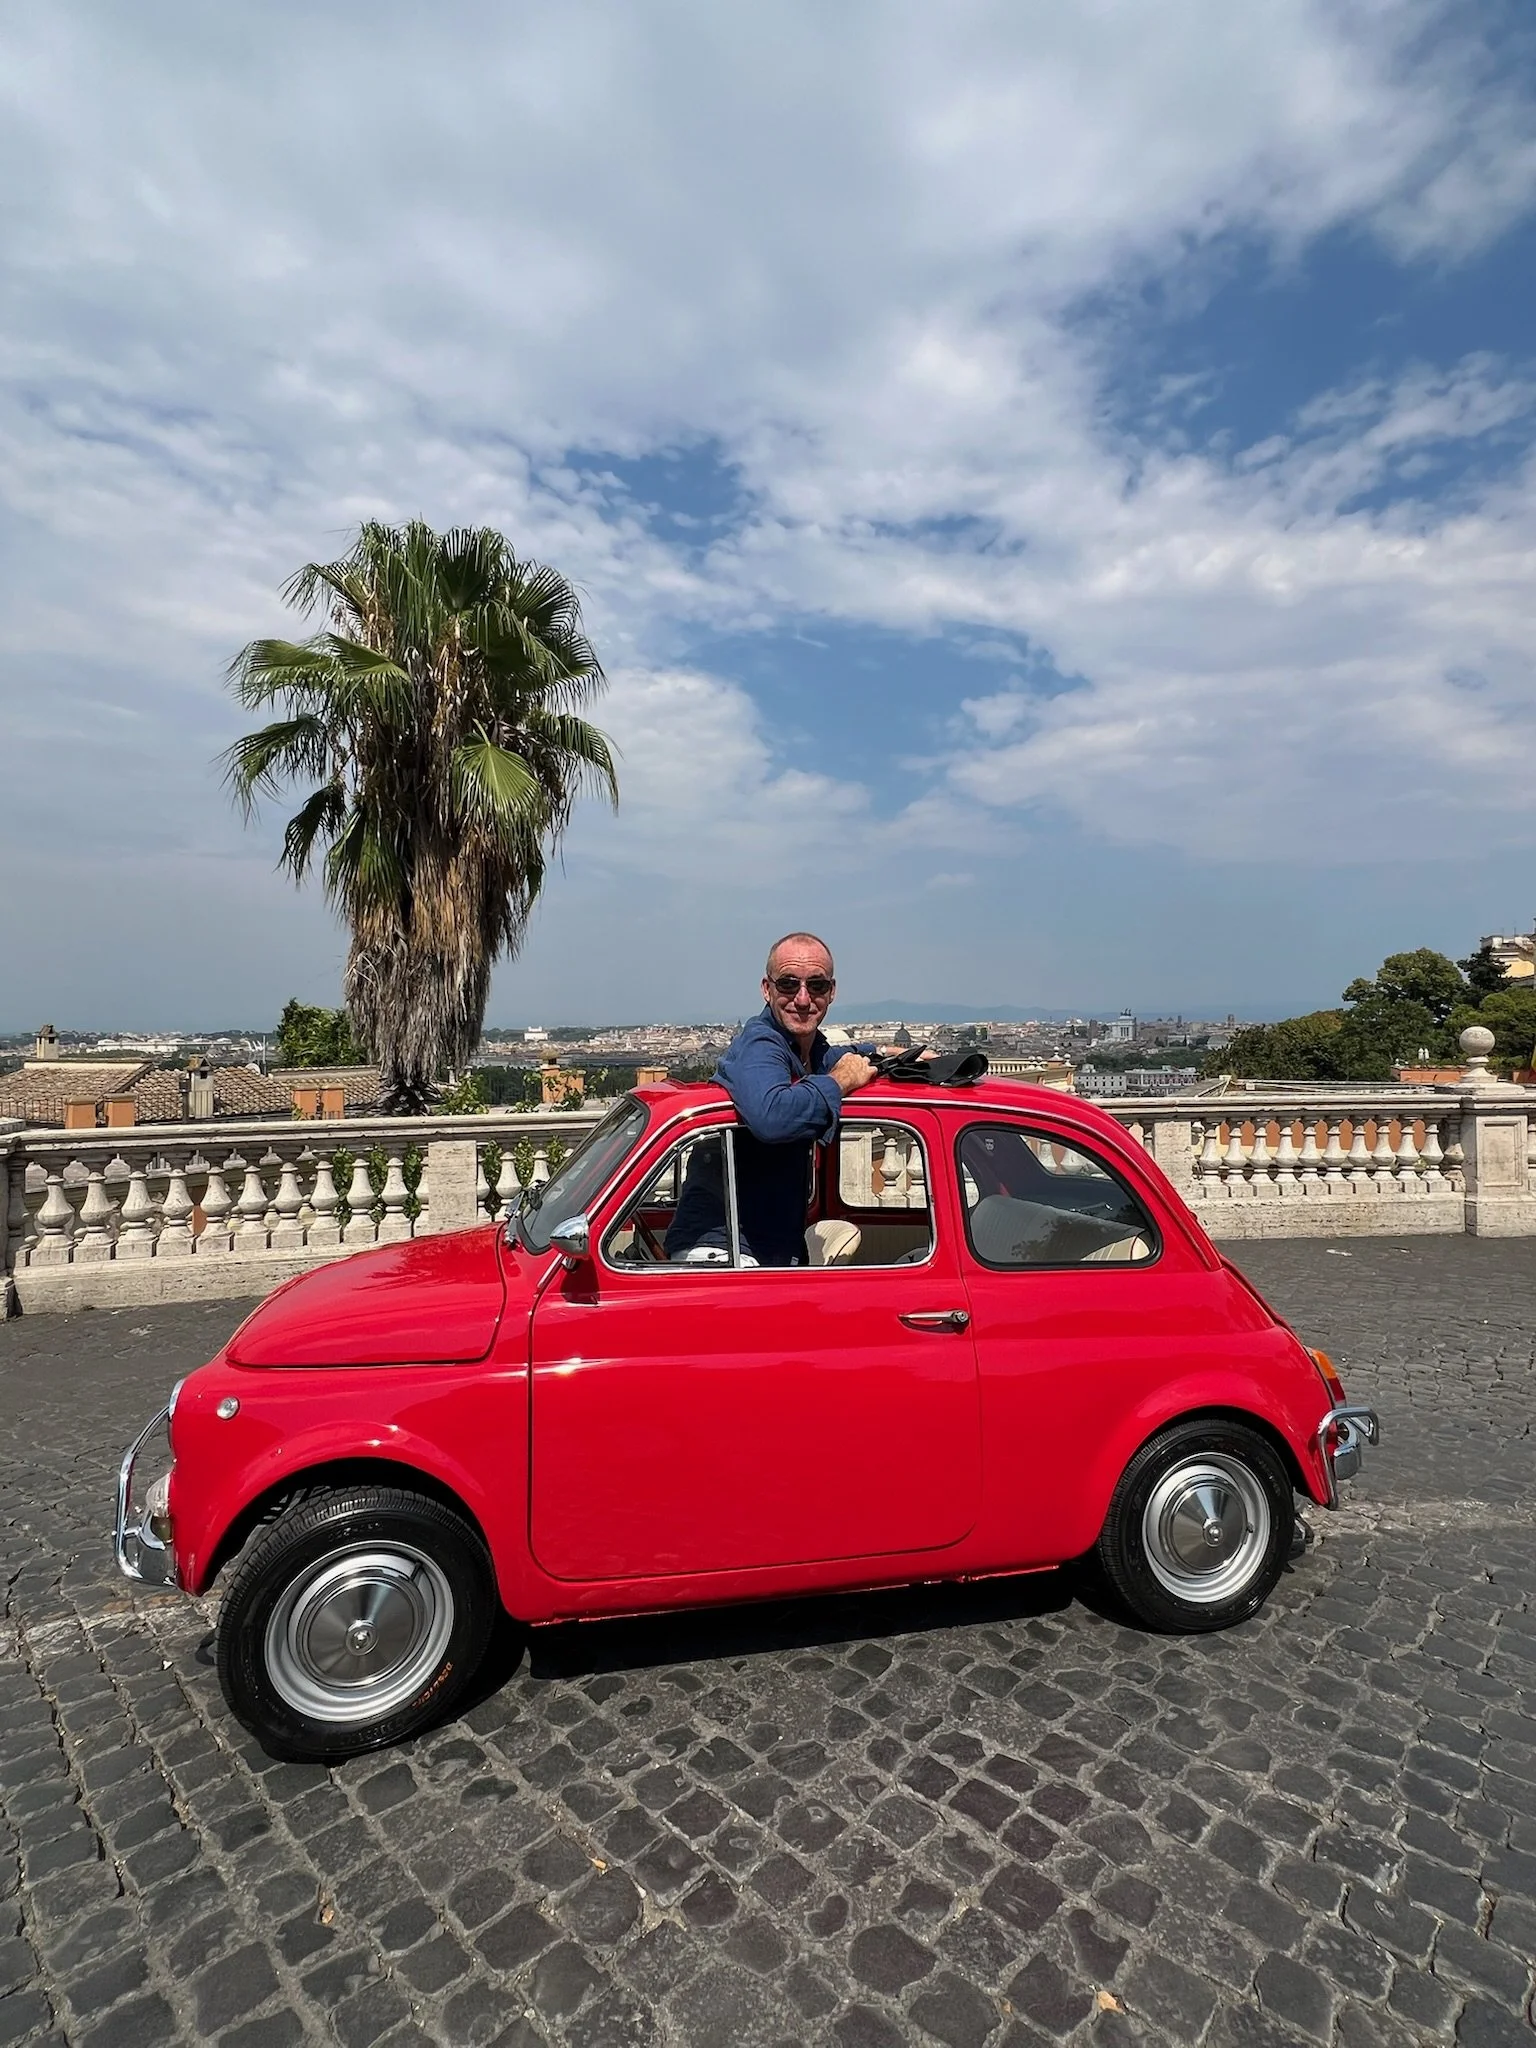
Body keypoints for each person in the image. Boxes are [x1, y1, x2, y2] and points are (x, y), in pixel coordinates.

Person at [665, 933, 880, 1266]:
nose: (803, 999)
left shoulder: (805, 1047)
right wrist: (838, 1082)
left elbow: (836, 1058)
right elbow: (772, 1116)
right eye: (789, 985)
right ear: (767, 989)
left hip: (763, 1244)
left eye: (817, 986)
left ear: (832, 992)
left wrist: (887, 1057)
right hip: (725, 1250)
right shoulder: (760, 1045)